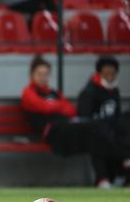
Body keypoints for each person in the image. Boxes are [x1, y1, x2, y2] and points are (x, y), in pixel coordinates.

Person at [21, 55, 129, 187]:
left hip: (67, 126)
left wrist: (54, 106)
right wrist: (57, 106)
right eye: (39, 74)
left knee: (97, 131)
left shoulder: (53, 92)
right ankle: (121, 162)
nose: (43, 77)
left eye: (46, 74)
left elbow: (71, 110)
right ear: (32, 74)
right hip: (52, 132)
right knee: (94, 129)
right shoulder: (28, 92)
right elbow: (42, 106)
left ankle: (105, 178)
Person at [77, 56, 125, 188]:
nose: (110, 77)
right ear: (99, 73)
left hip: (111, 130)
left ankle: (121, 176)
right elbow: (84, 116)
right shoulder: (89, 91)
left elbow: (118, 115)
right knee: (100, 138)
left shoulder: (114, 91)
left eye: (112, 74)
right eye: (106, 74)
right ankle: (102, 178)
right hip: (92, 132)